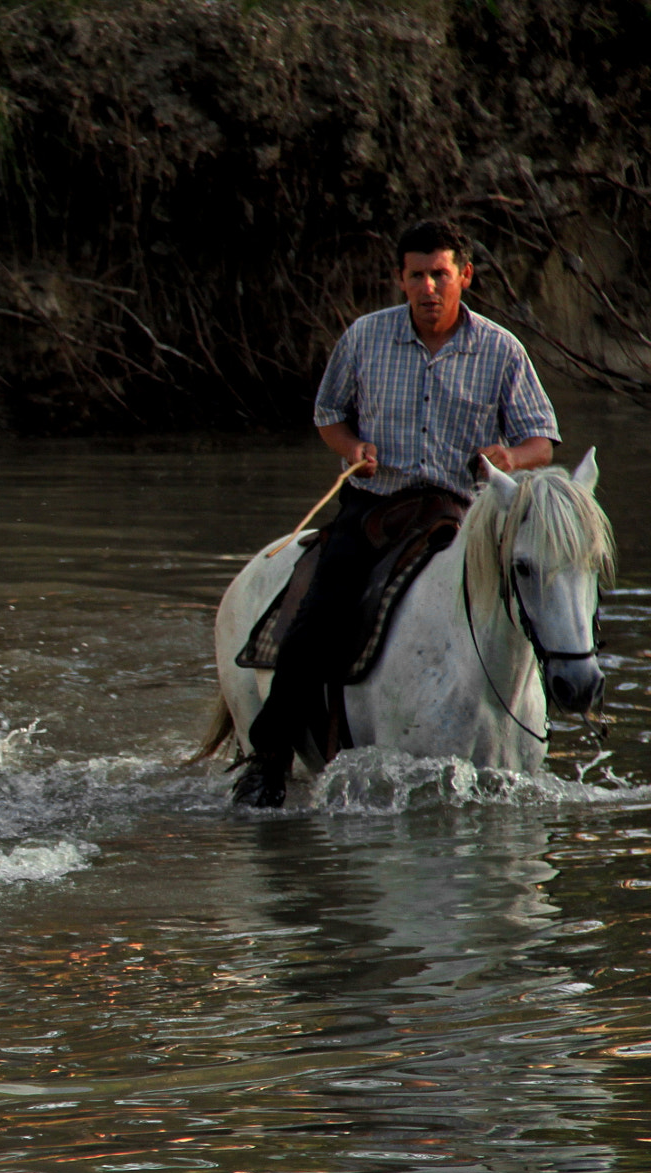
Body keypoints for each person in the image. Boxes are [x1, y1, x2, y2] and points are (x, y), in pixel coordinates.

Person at [234, 218, 560, 806]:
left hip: (464, 511)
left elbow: (543, 441)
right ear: (400, 279)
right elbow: (328, 414)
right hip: (376, 506)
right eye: (417, 276)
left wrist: (509, 454)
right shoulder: (364, 337)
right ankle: (271, 757)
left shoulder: (501, 348)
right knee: (319, 615)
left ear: (465, 274)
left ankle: (551, 706)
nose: (429, 287)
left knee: (542, 594)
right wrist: (351, 448)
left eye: (441, 274)